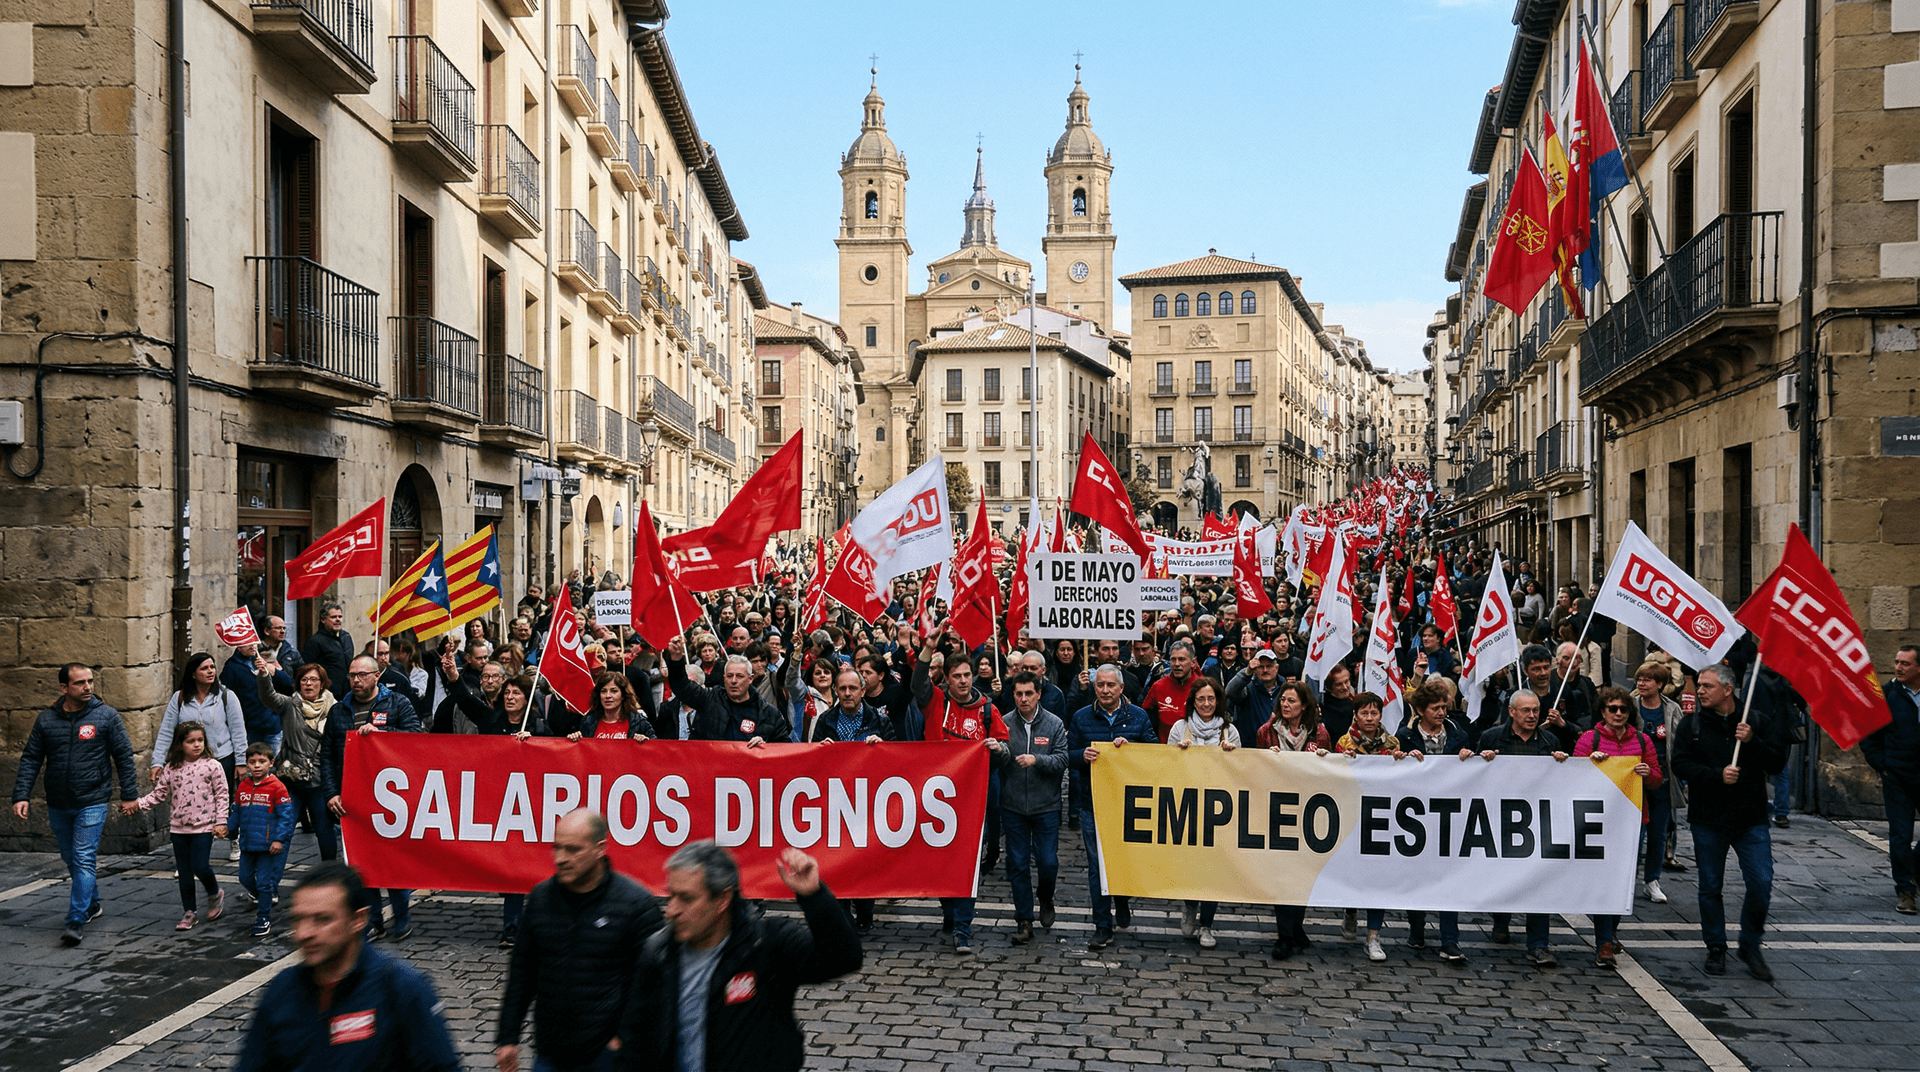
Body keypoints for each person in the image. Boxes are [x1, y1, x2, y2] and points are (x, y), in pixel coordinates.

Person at [621, 842, 862, 1072]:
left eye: (686, 898)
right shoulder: (659, 953)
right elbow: (636, 1039)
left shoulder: (766, 945)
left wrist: (814, 896)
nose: (672, 910)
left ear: (722, 900)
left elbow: (843, 958)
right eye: (670, 896)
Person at [238, 863, 459, 1072]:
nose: (305, 933)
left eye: (322, 919)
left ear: (358, 920)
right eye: (298, 920)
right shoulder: (281, 992)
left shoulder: (402, 989)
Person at [495, 810, 662, 1072]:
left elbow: (652, 987)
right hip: (550, 1055)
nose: (561, 858)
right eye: (557, 848)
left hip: (608, 1058)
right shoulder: (540, 900)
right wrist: (508, 1037)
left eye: (573, 850)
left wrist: (622, 1041)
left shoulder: (636, 906)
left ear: (600, 849)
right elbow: (522, 972)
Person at [12, 663, 141, 946]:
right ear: (64, 688)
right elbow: (32, 758)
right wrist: (21, 795)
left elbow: (124, 756)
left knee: (83, 858)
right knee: (71, 858)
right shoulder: (46, 720)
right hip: (58, 801)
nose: (88, 687)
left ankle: (75, 920)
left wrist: (129, 794)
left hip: (92, 799)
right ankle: (92, 904)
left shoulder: (106, 716)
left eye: (90, 681)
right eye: (80, 683)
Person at [1671, 662, 1785, 981]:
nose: (1700, 691)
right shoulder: (1691, 725)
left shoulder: (1755, 721)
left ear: (1727, 689)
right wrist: (1715, 776)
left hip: (1750, 819)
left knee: (1761, 883)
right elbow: (1680, 764)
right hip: (1708, 819)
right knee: (1710, 886)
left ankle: (1750, 944)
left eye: (1707, 686)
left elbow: (1777, 762)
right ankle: (1715, 947)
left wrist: (1752, 742)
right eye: (1700, 685)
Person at [911, 623, 1008, 952]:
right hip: (936, 799)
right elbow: (917, 682)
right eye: (957, 676)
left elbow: (1005, 749)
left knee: (967, 862)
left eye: (968, 675)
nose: (964, 680)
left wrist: (997, 748)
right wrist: (927, 648)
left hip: (972, 799)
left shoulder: (987, 710)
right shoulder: (935, 702)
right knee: (941, 863)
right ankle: (949, 911)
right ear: (947, 679)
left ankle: (963, 929)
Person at [321, 654, 424, 941]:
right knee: (361, 866)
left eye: (362, 675)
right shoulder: (339, 710)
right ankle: (373, 920)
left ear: (376, 676)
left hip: (390, 799)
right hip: (352, 800)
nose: (355, 680)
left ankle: (401, 917)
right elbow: (327, 755)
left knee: (392, 862)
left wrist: (382, 733)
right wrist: (331, 793)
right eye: (352, 675)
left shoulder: (397, 703)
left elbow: (415, 738)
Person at [1468, 688, 1568, 966]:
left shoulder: (1549, 740)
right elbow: (1473, 778)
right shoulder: (1491, 737)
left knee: (1538, 882)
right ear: (1512, 711)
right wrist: (1482, 760)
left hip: (1536, 824)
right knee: (1503, 876)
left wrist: (1561, 763)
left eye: (1536, 710)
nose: (1533, 715)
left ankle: (1538, 943)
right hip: (1501, 821)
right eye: (1526, 710)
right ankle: (1501, 919)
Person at [1066, 664, 1157, 950]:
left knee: (1123, 861)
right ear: (1094, 687)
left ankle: (1121, 899)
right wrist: (1082, 755)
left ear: (1121, 688)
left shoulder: (1139, 717)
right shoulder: (1081, 717)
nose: (1105, 690)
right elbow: (1066, 755)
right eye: (1100, 685)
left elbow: (1156, 754)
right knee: (1097, 866)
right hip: (1092, 804)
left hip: (1129, 806)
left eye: (1110, 686)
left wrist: (1132, 749)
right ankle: (1102, 925)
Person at [1574, 686, 1663, 968]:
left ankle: (1610, 931)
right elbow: (1571, 775)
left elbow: (1658, 778)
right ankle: (1604, 943)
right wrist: (1590, 763)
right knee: (1604, 881)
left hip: (1632, 819)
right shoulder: (1591, 738)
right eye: (1612, 709)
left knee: (1623, 879)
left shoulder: (1643, 740)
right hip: (1598, 821)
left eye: (1623, 709)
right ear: (1603, 712)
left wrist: (1648, 774)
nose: (1618, 714)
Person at [992, 671, 1069, 946]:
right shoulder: (1004, 722)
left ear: (1038, 694)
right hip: (1013, 806)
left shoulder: (1054, 723)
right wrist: (1000, 753)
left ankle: (1046, 896)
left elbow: (1062, 759)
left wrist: (1037, 760)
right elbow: (998, 759)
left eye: (1029, 693)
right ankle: (1023, 919)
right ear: (1013, 695)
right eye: (1019, 694)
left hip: (1046, 805)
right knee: (1017, 864)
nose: (1024, 698)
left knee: (1048, 861)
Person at [1396, 682, 1469, 963]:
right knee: (1418, 877)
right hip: (1414, 818)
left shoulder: (1457, 734)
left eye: (1443, 707)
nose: (1441, 712)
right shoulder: (1405, 735)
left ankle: (1450, 940)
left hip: (1448, 815)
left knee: (1448, 880)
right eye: (1435, 708)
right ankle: (1416, 926)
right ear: (1421, 710)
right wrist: (1401, 758)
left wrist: (1467, 757)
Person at [136, 720, 228, 932]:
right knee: (184, 872)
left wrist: (221, 821)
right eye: (191, 741)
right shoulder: (172, 768)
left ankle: (214, 893)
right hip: (179, 828)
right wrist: (139, 804)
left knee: (200, 865)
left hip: (204, 827)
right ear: (180, 744)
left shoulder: (213, 766)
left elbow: (222, 795)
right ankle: (189, 911)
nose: (197, 745)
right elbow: (159, 794)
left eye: (200, 740)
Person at [1167, 676, 1239, 949]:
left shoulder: (1229, 731)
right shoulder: (1180, 728)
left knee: (1214, 871)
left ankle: (1207, 924)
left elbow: (1241, 772)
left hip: (1219, 811)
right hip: (1187, 808)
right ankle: (1189, 905)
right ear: (1192, 702)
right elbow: (1164, 768)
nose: (1206, 704)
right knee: (1190, 866)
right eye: (1201, 699)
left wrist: (1231, 756)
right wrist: (1177, 754)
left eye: (1211, 699)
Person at [1259, 681, 1328, 959]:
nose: (1286, 705)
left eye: (1292, 701)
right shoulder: (1267, 732)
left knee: (1301, 876)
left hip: (1307, 813)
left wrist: (1325, 758)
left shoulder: (1319, 734)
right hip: (1277, 811)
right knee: (1282, 876)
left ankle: (1294, 929)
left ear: (1304, 706)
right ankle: (1286, 936)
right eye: (1283, 700)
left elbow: (1326, 773)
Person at [1862, 644, 1920, 915]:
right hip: (1897, 775)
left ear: (1919, 668)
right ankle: (1905, 891)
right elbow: (1869, 733)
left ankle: (1914, 869)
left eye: (1905, 663)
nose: (1898, 667)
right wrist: (1882, 765)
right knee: (1900, 835)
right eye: (1897, 662)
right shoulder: (1886, 694)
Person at [229, 741, 297, 937]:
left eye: (261, 761)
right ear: (247, 764)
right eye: (252, 762)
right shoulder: (243, 786)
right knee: (245, 877)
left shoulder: (277, 788)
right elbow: (237, 813)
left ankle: (263, 917)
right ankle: (264, 896)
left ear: (271, 763)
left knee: (264, 882)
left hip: (268, 847)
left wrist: (279, 840)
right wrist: (227, 828)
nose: (257, 765)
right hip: (248, 844)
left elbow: (286, 817)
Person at [665, 638, 789, 744]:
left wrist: (766, 747)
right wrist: (676, 660)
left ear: (750, 678)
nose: (733, 681)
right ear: (724, 678)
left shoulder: (769, 714)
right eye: (729, 676)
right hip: (711, 769)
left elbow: (785, 749)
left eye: (739, 676)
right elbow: (683, 688)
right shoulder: (709, 698)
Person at [1633, 661, 1686, 903]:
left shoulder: (1673, 709)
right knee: (1633, 833)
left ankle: (1652, 881)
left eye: (1647, 680)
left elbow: (1680, 743)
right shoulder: (1630, 705)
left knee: (1658, 833)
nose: (1641, 683)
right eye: (1640, 679)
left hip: (1662, 780)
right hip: (1633, 779)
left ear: (1660, 684)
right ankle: (1625, 878)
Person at [300, 601, 355, 711]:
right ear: (323, 620)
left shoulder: (346, 637)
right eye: (333, 617)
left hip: (349, 694)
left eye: (340, 616)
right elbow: (308, 669)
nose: (338, 620)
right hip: (328, 696)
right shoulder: (315, 641)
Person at [1144, 640, 1200, 742]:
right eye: (1173, 660)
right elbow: (1145, 722)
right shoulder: (1158, 687)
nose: (1177, 664)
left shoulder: (1203, 687)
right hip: (1166, 751)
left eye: (1182, 659)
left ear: (1193, 662)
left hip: (1196, 752)